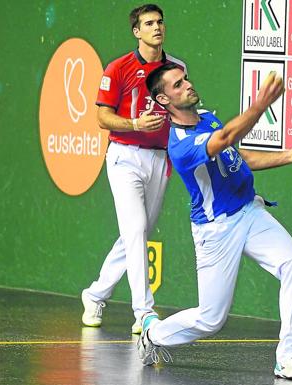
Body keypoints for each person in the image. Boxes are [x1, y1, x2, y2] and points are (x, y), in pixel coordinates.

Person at [136, 63, 292, 381]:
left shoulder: (207, 117)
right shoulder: (179, 144)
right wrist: (261, 105)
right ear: (163, 100)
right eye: (177, 85)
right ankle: (153, 333)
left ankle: (288, 357)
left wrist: (290, 156)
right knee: (211, 319)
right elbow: (223, 138)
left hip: (249, 211)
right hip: (216, 229)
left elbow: (238, 156)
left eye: (186, 80)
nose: (187, 85)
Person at [81, 4, 187, 334]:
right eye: (149, 23)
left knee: (136, 234)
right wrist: (134, 124)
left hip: (159, 159)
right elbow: (102, 117)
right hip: (124, 156)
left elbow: (182, 110)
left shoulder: (177, 68)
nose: (157, 27)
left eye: (160, 22)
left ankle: (96, 293)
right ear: (136, 32)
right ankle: (144, 312)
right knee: (137, 228)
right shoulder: (119, 68)